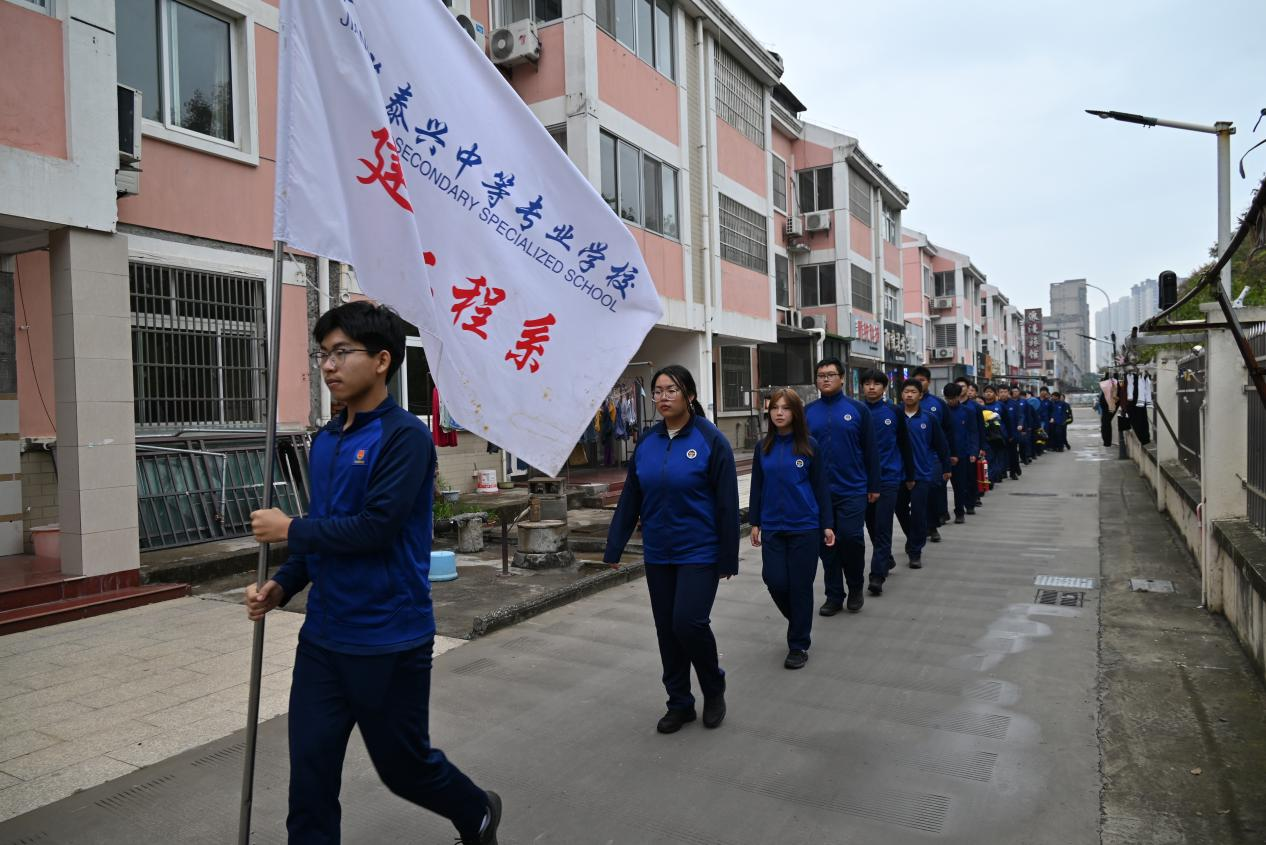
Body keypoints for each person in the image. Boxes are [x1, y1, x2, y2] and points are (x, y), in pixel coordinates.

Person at [245, 301, 502, 845]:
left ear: (382, 360)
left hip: (388, 637)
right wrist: (283, 584)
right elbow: (324, 528)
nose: (328, 365)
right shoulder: (326, 440)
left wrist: (290, 529)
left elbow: (374, 529)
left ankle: (476, 810)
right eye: (323, 353)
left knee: (403, 767)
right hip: (324, 638)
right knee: (310, 777)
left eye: (342, 352)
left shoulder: (404, 438)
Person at [604, 365, 739, 733]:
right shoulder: (648, 442)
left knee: (688, 622)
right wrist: (614, 546)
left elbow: (727, 503)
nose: (663, 397)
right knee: (667, 629)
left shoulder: (711, 440)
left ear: (689, 395)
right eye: (658, 391)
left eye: (672, 390)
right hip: (659, 551)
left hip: (700, 550)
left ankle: (713, 686)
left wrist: (728, 556)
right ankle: (679, 702)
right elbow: (631, 496)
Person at [748, 388, 835, 669]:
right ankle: (799, 620)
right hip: (773, 526)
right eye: (775, 408)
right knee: (774, 580)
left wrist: (827, 524)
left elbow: (821, 487)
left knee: (800, 586)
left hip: (805, 526)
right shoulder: (763, 447)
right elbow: (757, 486)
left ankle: (798, 645)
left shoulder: (810, 446)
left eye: (785, 408)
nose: (779, 413)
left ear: (795, 413)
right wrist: (755, 521)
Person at [806, 357, 880, 615]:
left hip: (852, 488)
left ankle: (856, 586)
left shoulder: (858, 410)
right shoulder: (807, 412)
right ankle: (834, 595)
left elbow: (871, 450)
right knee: (827, 545)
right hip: (819, 492)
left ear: (842, 378)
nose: (825, 379)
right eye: (821, 375)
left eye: (830, 375)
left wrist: (874, 485)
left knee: (851, 538)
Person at [860, 369, 912, 596]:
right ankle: (886, 558)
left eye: (876, 384)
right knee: (871, 524)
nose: (871, 387)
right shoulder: (857, 411)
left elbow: (904, 444)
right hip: (863, 479)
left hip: (889, 477)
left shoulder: (894, 412)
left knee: (883, 525)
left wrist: (910, 475)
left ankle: (877, 575)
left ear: (884, 387)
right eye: (867, 383)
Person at [894, 379, 951, 569]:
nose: (909, 395)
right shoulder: (894, 416)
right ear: (901, 394)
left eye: (913, 392)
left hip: (922, 472)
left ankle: (915, 552)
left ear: (920, 395)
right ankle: (912, 538)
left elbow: (941, 444)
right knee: (900, 509)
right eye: (906, 391)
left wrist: (946, 467)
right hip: (898, 473)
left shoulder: (929, 418)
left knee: (919, 513)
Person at [911, 366, 952, 538]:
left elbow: (948, 431)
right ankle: (919, 529)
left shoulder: (938, 404)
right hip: (912, 458)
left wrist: (948, 458)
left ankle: (932, 525)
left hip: (933, 457)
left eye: (922, 380)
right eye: (916, 380)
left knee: (933, 490)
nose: (919, 383)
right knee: (916, 496)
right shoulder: (903, 407)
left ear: (928, 382)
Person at [943, 383, 979, 524]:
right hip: (944, 454)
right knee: (940, 486)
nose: (950, 401)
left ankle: (959, 512)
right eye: (948, 398)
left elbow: (973, 432)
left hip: (962, 454)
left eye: (953, 398)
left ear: (958, 397)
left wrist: (973, 451)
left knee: (959, 486)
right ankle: (943, 512)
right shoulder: (941, 410)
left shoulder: (967, 412)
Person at [982, 385, 1009, 485]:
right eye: (986, 392)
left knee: (998, 457)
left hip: (999, 436)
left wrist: (1008, 435)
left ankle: (997, 475)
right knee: (989, 458)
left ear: (995, 394)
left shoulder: (1000, 405)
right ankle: (991, 478)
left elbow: (1007, 421)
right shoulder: (981, 406)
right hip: (986, 437)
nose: (988, 394)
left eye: (990, 392)